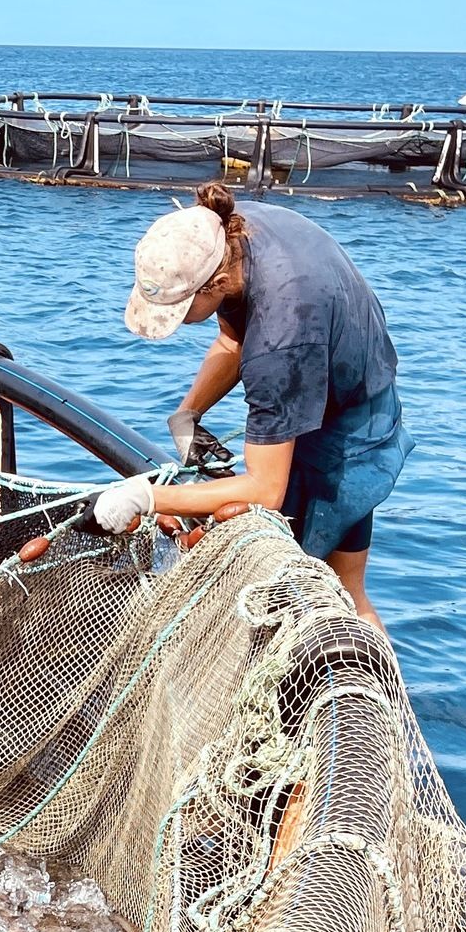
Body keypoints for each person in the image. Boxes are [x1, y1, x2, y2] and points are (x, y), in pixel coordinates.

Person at [94, 183, 412, 629]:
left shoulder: (281, 339)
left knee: (332, 591)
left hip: (349, 432)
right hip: (352, 378)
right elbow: (232, 338)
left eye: (181, 309)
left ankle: (341, 686)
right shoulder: (227, 231)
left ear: (217, 284)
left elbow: (265, 490)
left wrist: (146, 497)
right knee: (343, 590)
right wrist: (188, 413)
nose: (181, 321)